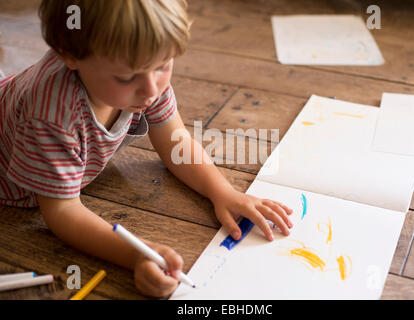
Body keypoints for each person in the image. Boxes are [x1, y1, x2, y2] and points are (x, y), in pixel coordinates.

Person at [0, 0, 293, 297]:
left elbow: (175, 141)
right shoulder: (51, 117)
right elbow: (61, 210)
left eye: (164, 65)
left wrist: (222, 191)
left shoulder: (143, 70)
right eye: (127, 77)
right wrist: (137, 254)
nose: (152, 89)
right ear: (69, 55)